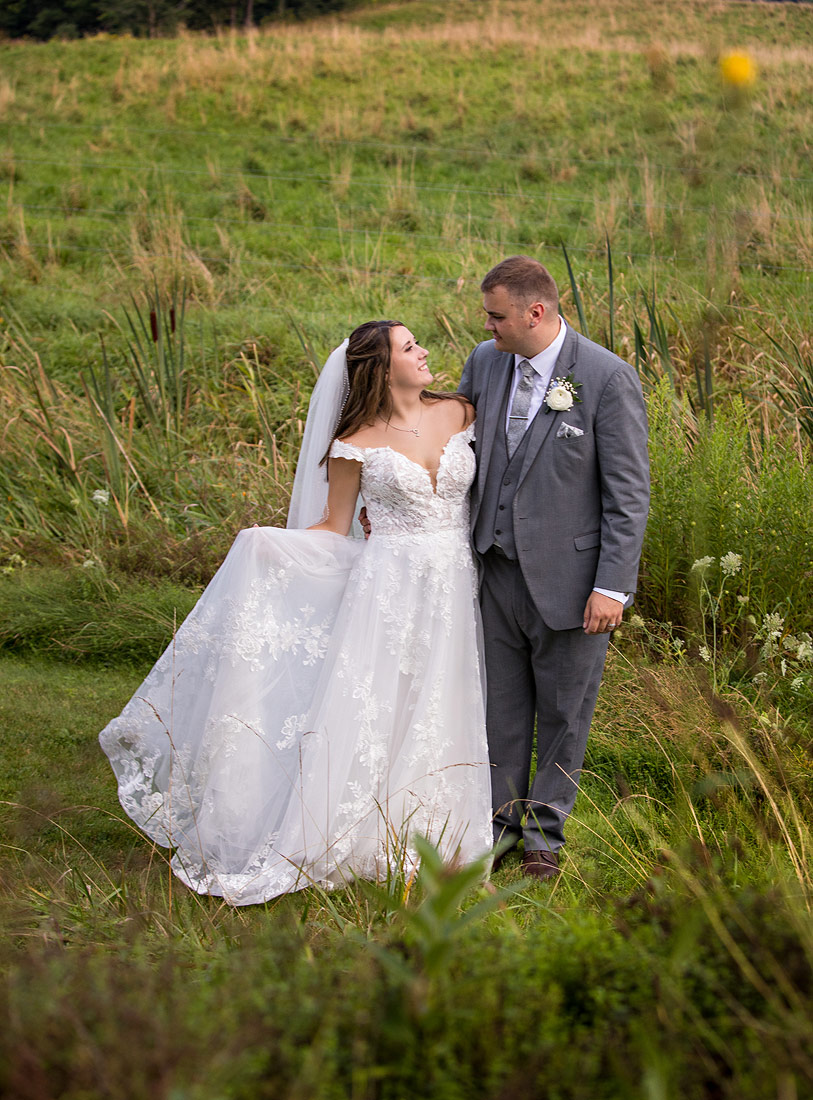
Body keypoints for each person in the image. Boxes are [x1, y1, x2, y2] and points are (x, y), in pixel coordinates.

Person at [100, 320, 492, 905]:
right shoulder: (354, 442)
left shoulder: (461, 413)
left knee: (442, 700)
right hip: (388, 589)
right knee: (380, 707)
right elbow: (334, 526)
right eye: (410, 348)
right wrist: (265, 544)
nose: (424, 351)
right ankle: (366, 834)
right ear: (382, 369)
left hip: (455, 586)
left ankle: (442, 832)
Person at [458, 256, 650, 881]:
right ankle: (499, 823)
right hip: (494, 570)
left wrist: (612, 587)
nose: (487, 328)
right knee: (501, 707)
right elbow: (452, 448)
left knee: (566, 712)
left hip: (573, 583)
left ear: (534, 313)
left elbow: (628, 494)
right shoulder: (486, 363)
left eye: (496, 317)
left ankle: (545, 834)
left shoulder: (604, 377)